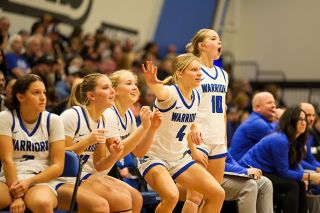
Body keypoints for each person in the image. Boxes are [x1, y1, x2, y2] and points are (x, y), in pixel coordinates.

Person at [139, 55, 225, 213]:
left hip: (179, 158)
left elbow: (186, 123)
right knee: (172, 197)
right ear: (179, 73)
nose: (199, 73)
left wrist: (194, 149)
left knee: (217, 194)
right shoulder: (170, 93)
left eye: (199, 70)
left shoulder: (196, 95)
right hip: (155, 157)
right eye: (194, 70)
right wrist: (151, 82)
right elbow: (160, 90)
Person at [58, 73, 150, 213]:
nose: (112, 91)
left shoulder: (102, 120)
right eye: (106, 87)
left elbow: (99, 164)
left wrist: (114, 154)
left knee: (136, 198)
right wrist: (87, 141)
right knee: (119, 200)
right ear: (92, 96)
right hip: (64, 177)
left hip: (89, 173)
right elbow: (58, 156)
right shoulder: (72, 115)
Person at [0, 74, 65, 213]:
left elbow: (58, 165)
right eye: (36, 93)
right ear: (21, 97)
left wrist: (29, 182)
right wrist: (17, 196)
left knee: (43, 203)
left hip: (39, 179)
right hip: (9, 179)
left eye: (44, 93)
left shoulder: (54, 120)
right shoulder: (6, 117)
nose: (43, 97)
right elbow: (7, 159)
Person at [240, 107, 320, 213]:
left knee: (299, 184)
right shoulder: (280, 139)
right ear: (290, 121)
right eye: (299, 119)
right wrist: (309, 176)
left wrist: (304, 176)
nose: (303, 122)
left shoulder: (297, 139)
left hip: (267, 171)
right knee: (292, 186)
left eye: (304, 119)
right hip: (250, 171)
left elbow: (294, 165)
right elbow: (283, 171)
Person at [103, 69, 162, 189]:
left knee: (136, 199)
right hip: (95, 171)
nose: (134, 87)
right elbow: (117, 154)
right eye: (129, 83)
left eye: (135, 83)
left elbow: (139, 152)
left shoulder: (129, 114)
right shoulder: (109, 113)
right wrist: (143, 126)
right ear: (115, 90)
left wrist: (152, 128)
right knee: (131, 199)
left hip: (106, 171)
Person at [186, 28, 228, 185]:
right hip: (199, 139)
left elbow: (223, 109)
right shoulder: (193, 71)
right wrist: (193, 126)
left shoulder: (223, 74)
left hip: (218, 139)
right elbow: (184, 104)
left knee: (215, 192)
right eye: (213, 38)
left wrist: (224, 137)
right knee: (195, 196)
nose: (219, 41)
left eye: (219, 38)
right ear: (202, 46)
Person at [229, 91, 276, 161]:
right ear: (257, 107)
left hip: (245, 166)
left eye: (274, 103)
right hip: (241, 168)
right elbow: (281, 140)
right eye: (269, 103)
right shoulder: (256, 123)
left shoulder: (259, 120)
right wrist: (281, 118)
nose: (274, 106)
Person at [299, 103, 320, 172]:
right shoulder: (293, 135)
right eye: (308, 115)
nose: (312, 119)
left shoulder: (306, 134)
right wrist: (316, 169)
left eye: (313, 115)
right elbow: (297, 161)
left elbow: (310, 159)